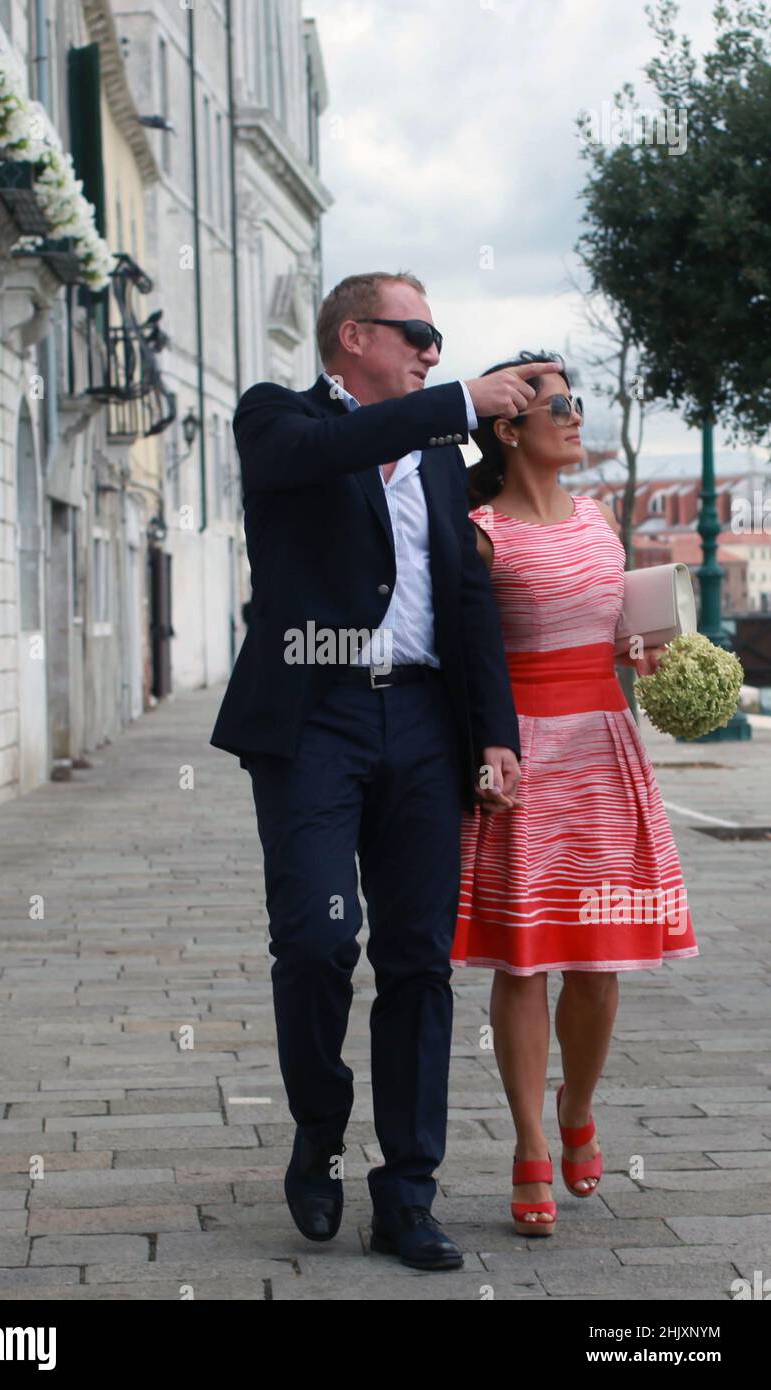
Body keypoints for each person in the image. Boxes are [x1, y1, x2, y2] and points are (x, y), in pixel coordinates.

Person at [211, 271, 559, 1269]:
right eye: (417, 332)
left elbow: (468, 595)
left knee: (417, 960)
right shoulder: (275, 418)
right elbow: (328, 449)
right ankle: (318, 1126)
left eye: (440, 341)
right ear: (353, 335)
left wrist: (494, 733)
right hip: (311, 713)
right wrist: (456, 405)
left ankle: (407, 1192)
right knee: (319, 943)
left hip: (417, 719)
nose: (432, 350)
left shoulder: (445, 464)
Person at [453, 350, 699, 1238]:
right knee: (525, 961)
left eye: (578, 403)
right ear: (509, 426)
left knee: (598, 966)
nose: (577, 416)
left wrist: (647, 653)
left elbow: (617, 634)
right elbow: (464, 657)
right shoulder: (478, 529)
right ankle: (527, 1145)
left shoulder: (601, 523)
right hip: (521, 763)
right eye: (560, 404)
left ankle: (578, 1105)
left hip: (604, 752)